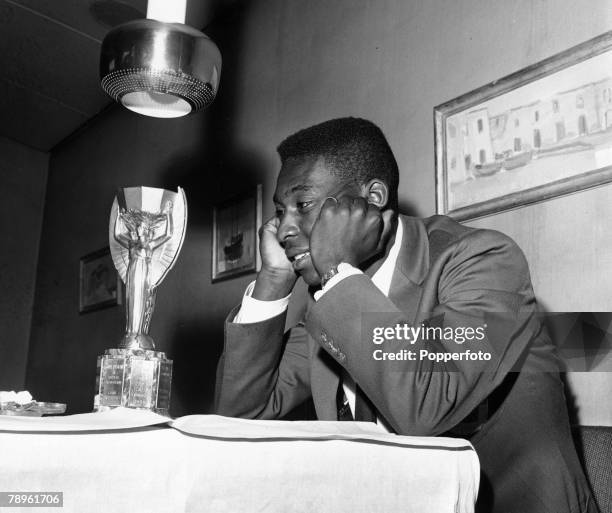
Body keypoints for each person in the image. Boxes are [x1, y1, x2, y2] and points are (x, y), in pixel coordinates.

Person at [215, 117, 596, 513]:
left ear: (372, 198)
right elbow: (241, 416)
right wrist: (272, 282)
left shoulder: (483, 261)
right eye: (281, 211)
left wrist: (335, 274)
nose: (283, 230)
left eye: (303, 205)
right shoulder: (332, 298)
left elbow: (426, 407)